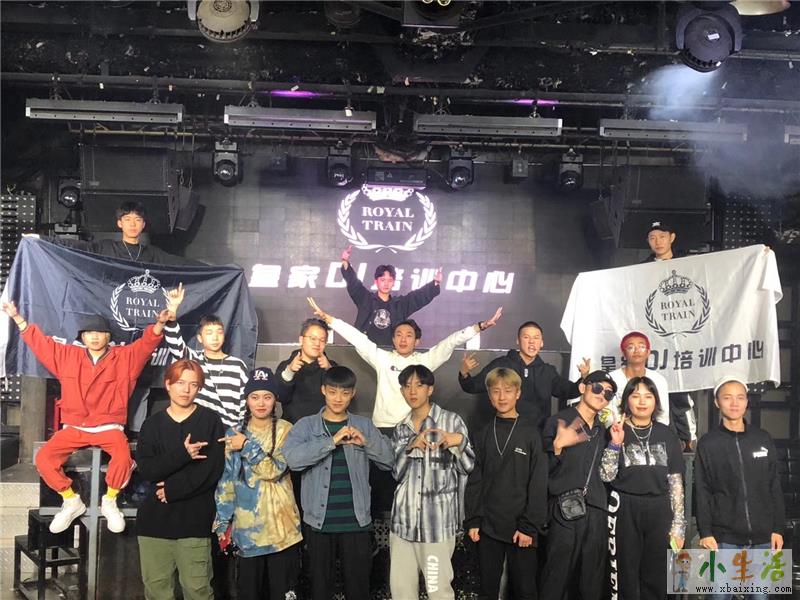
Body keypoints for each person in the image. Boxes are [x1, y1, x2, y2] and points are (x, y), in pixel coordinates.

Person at [2, 300, 167, 534]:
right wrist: (18, 318)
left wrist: (160, 324)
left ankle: (110, 500)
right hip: (74, 426)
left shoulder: (125, 358)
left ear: (109, 336)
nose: (94, 337)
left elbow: (147, 344)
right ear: (82, 337)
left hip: (109, 427)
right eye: (89, 333)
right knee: (45, 459)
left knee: (123, 457)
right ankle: (71, 501)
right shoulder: (68, 356)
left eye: (100, 332)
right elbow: (41, 344)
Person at [282, 366, 394, 600]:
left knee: (358, 590)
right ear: (323, 390)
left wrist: (367, 443)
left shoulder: (364, 425)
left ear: (353, 394)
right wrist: (331, 442)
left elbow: (389, 462)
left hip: (357, 522)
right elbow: (293, 460)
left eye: (344, 393)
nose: (338, 398)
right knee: (320, 590)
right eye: (332, 392)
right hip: (319, 522)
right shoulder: (306, 426)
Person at [309, 296, 502, 429]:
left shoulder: (425, 361)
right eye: (399, 335)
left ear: (417, 341)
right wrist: (330, 320)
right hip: (382, 427)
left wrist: (479, 327)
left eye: (409, 335)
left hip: (413, 428)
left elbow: (450, 342)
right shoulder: (382, 358)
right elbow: (358, 338)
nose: (403, 339)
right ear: (393, 339)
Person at [136, 359, 226, 600]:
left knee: (197, 591)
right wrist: (183, 454)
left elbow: (212, 470)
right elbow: (148, 469)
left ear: (199, 388)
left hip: (194, 522)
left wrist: (173, 489)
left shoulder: (210, 421)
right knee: (157, 592)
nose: (186, 390)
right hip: (154, 523)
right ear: (168, 384)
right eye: (180, 383)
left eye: (193, 384)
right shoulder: (152, 425)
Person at [214, 367, 302, 600]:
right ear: (247, 400)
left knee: (283, 594)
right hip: (247, 532)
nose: (261, 403)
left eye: (267, 397)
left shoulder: (286, 430)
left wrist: (246, 446)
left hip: (283, 532)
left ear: (275, 400)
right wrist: (223, 522)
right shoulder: (234, 433)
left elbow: (274, 470)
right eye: (254, 397)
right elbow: (227, 482)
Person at [390, 365, 475, 600]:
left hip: (437, 525)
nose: (412, 391)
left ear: (430, 389)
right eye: (407, 386)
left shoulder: (451, 421)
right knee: (401, 592)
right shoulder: (401, 428)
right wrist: (411, 447)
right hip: (403, 523)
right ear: (401, 391)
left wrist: (458, 441)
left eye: (419, 385)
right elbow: (396, 474)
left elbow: (468, 467)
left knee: (438, 591)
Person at [695, 377, 784, 600]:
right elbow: (702, 490)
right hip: (723, 538)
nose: (734, 403)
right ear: (717, 402)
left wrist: (778, 528)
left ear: (747, 402)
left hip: (763, 536)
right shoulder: (708, 443)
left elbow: (774, 485)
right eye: (727, 397)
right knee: (718, 596)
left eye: (740, 397)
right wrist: (706, 532)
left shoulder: (762, 438)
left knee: (761, 596)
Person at [464, 368, 548, 600]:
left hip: (522, 527)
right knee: (487, 589)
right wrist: (474, 520)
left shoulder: (531, 433)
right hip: (488, 526)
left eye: (508, 391)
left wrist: (529, 526)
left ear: (518, 393)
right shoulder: (482, 432)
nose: (502, 397)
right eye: (496, 391)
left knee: (525, 590)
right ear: (489, 396)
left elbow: (538, 482)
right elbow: (476, 479)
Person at [600, 376, 686, 600]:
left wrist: (679, 524)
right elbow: (606, 475)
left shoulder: (667, 434)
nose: (642, 401)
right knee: (624, 572)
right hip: (624, 508)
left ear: (656, 401)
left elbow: (676, 481)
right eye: (635, 395)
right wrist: (615, 443)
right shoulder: (615, 430)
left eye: (648, 396)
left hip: (660, 508)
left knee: (658, 574)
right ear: (626, 400)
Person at [540, 370, 617, 600]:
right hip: (564, 510)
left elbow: (608, 473)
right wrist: (557, 447)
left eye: (608, 393)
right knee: (556, 577)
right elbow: (541, 471)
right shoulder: (559, 421)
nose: (602, 394)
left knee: (591, 581)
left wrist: (615, 445)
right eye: (597, 388)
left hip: (596, 511)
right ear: (583, 387)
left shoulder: (604, 431)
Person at [459, 320, 587, 428]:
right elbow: (473, 386)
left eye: (536, 338)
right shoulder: (501, 364)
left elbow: (569, 390)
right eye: (526, 337)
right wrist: (464, 373)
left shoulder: (547, 371)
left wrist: (584, 378)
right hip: (506, 431)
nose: (531, 342)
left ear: (541, 343)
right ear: (518, 341)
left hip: (538, 435)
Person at [163, 283, 249, 429]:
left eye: (219, 332)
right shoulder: (193, 360)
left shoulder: (237, 365)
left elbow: (245, 402)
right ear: (200, 338)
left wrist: (240, 432)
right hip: (199, 428)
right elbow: (175, 343)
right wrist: (173, 308)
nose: (215, 338)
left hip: (230, 431)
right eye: (209, 333)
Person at [340, 244, 442, 346]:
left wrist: (435, 283)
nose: (386, 284)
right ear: (376, 282)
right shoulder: (366, 299)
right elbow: (353, 283)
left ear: (393, 283)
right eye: (383, 280)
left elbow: (418, 297)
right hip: (363, 350)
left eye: (390, 280)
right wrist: (345, 262)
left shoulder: (399, 305)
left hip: (389, 353)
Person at [53, 200, 205, 265]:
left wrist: (215, 270)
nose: (132, 224)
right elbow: (76, 246)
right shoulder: (106, 247)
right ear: (120, 223)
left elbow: (180, 263)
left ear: (143, 225)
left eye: (137, 220)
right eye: (127, 219)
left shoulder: (152, 254)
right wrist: (44, 240)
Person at [275, 318, 337, 423]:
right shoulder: (286, 366)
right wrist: (290, 371)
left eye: (322, 340)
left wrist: (330, 370)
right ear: (301, 340)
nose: (317, 343)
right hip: (293, 427)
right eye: (313, 338)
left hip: (324, 427)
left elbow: (340, 399)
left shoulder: (332, 367)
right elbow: (280, 397)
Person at [605, 331, 671, 427]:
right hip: (616, 430)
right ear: (623, 353)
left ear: (648, 352)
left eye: (641, 347)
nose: (636, 351)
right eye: (630, 347)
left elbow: (663, 416)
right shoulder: (611, 379)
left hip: (651, 431)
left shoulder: (659, 380)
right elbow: (607, 414)